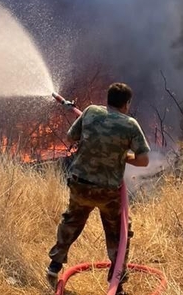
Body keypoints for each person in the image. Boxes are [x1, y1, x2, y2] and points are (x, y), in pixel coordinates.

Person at [46, 82, 150, 294]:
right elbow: (143, 160)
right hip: (108, 192)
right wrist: (123, 155)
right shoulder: (130, 124)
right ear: (127, 104)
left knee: (71, 222)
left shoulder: (90, 111)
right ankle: (117, 283)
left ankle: (54, 266)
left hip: (80, 185)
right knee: (120, 233)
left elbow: (70, 137)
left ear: (108, 98)